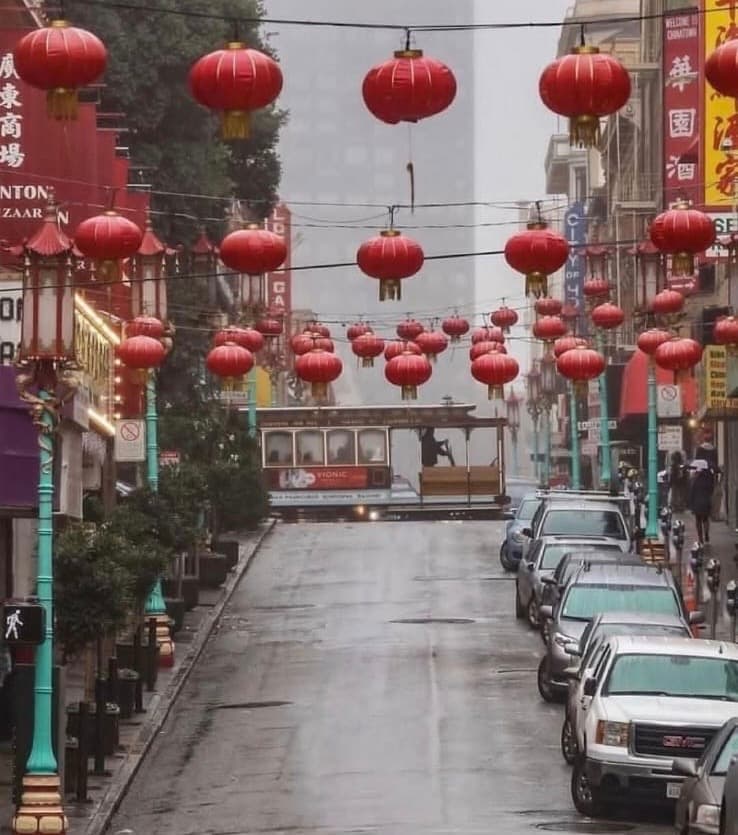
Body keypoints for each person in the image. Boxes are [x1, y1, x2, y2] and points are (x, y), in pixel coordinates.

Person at [687, 460, 715, 545]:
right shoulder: (709, 477)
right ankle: (706, 534)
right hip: (706, 501)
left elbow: (692, 491)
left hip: (697, 502)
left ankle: (700, 538)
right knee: (706, 519)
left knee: (698, 520)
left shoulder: (695, 479)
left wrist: (690, 503)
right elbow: (711, 489)